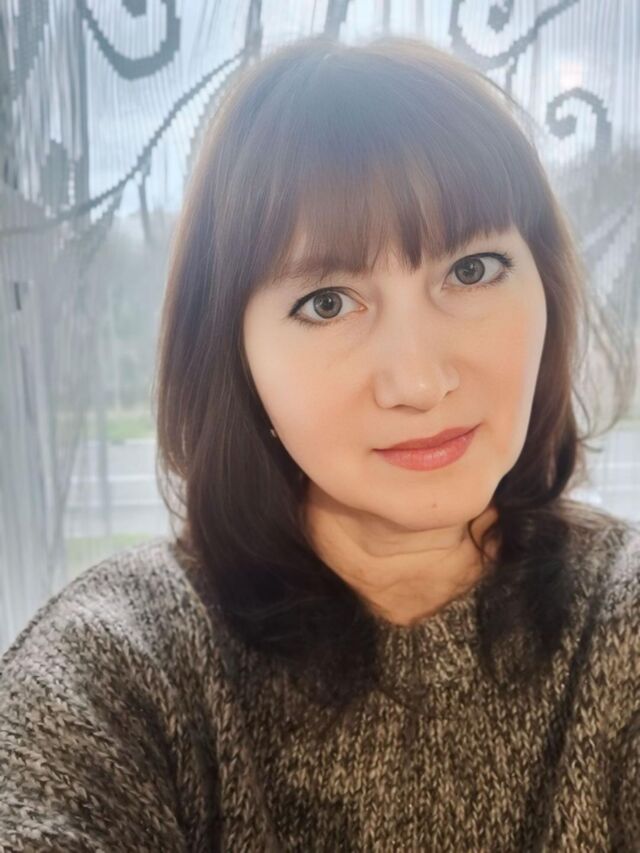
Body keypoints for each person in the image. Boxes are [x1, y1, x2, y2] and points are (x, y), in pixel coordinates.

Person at [1, 33, 638, 851]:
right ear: (236, 353)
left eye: (472, 269)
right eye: (328, 302)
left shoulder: (621, 622)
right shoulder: (125, 663)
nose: (418, 381)